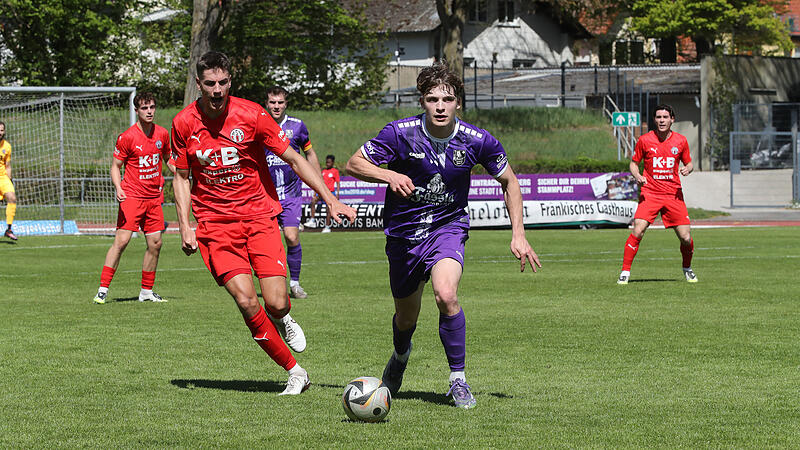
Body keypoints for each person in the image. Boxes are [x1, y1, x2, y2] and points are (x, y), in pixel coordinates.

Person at [345, 60, 541, 409]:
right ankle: (401, 355)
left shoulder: (477, 141)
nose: (440, 106)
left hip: (447, 229)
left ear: (458, 103)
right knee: (406, 318)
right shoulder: (399, 133)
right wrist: (388, 176)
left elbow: (510, 182)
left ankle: (457, 380)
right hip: (404, 236)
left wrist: (519, 234)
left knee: (446, 295)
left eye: (447, 99)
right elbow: (354, 163)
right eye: (432, 99)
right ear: (422, 101)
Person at [171, 51, 356, 395]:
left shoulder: (252, 114)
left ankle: (284, 318)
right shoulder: (183, 123)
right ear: (199, 84)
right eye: (209, 83)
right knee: (245, 300)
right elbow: (181, 178)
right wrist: (185, 224)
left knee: (276, 302)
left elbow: (295, 158)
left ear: (231, 82)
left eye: (223, 83)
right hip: (215, 226)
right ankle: (295, 371)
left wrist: (330, 198)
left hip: (259, 219)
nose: (216, 90)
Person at [92, 92, 173, 304]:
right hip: (132, 197)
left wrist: (182, 172)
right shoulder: (127, 137)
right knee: (122, 241)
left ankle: (146, 291)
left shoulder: (163, 134)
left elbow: (167, 158)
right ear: (136, 110)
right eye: (145, 108)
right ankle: (102, 289)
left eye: (152, 107)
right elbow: (115, 166)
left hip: (154, 198)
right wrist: (118, 187)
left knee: (156, 243)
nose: (149, 111)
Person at [617, 104, 697, 285]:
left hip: (673, 195)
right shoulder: (645, 140)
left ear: (672, 119)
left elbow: (689, 163)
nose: (662, 120)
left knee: (685, 237)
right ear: (655, 120)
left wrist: (687, 169)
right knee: (638, 230)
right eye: (659, 117)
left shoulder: (681, 141)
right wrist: (637, 175)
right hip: (650, 193)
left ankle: (687, 268)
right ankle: (625, 272)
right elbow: (633, 163)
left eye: (665, 117)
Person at [264, 86, 321, 299]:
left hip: (291, 194)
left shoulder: (297, 127)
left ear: (286, 103)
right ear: (267, 103)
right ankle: (271, 282)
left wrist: (318, 183)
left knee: (291, 236)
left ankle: (295, 284)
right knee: (267, 243)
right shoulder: (259, 125)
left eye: (280, 102)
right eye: (272, 102)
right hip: (266, 195)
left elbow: (310, 154)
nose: (276, 106)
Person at [306, 154, 340, 233]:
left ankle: (327, 227)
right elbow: (319, 183)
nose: (327, 164)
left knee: (328, 209)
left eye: (329, 162)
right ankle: (312, 220)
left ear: (332, 163)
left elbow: (338, 183)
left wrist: (337, 194)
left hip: (330, 193)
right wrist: (315, 192)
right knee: (313, 201)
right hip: (322, 192)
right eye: (326, 162)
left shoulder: (335, 171)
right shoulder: (323, 171)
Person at [0, 121, 18, 241]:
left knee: (12, 198)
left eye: (1, 130)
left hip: (2, 177)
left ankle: (9, 229)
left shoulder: (7, 146)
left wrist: (10, 180)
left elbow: (8, 165)